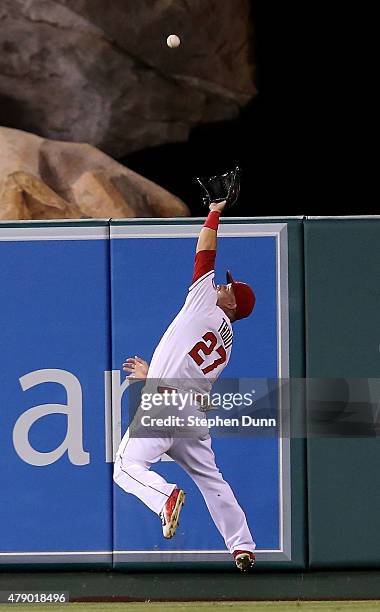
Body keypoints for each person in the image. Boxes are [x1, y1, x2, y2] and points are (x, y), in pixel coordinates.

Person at [113, 201, 257, 572]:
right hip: (191, 415)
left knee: (126, 466)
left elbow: (204, 252)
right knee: (212, 482)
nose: (222, 284)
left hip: (164, 407)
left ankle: (165, 498)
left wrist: (214, 212)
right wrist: (153, 374)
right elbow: (187, 367)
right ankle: (242, 546)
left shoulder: (203, 305)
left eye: (229, 286)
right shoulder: (227, 342)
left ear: (232, 303)